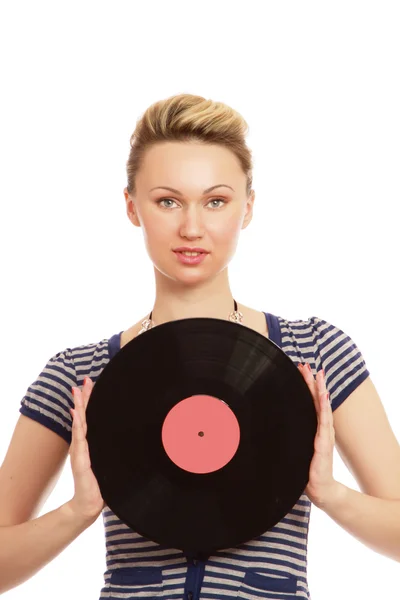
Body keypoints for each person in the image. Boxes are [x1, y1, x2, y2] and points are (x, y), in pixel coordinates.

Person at [0, 93, 399, 599]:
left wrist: (331, 494)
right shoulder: (78, 374)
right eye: (168, 200)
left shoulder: (315, 352)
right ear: (132, 206)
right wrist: (76, 511)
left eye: (216, 201)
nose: (192, 227)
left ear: (247, 207)